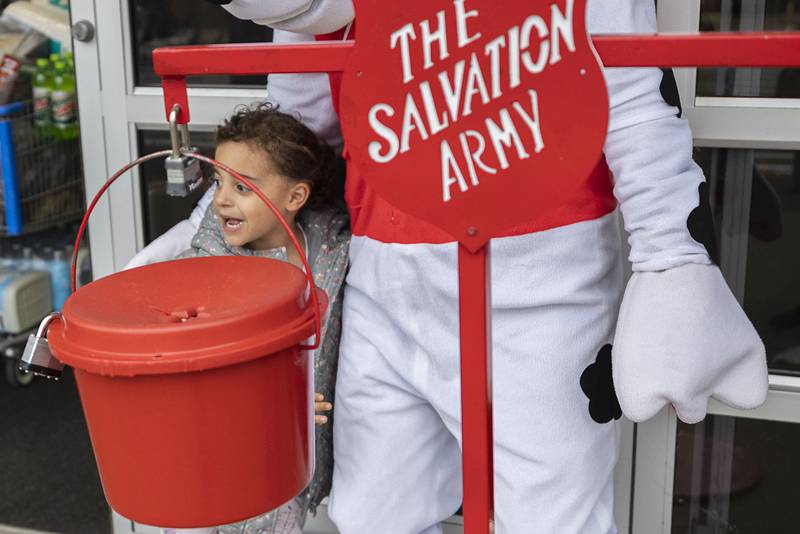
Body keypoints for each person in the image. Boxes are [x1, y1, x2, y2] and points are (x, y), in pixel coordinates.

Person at [135, 1, 768, 533]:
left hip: (542, 293)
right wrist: (207, 238)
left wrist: (673, 258)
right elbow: (295, 135)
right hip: (385, 288)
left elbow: (635, 102)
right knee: (376, 511)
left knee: (548, 516)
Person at [161, 103, 350, 534]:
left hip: (288, 464)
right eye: (218, 181)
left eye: (243, 187)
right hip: (212, 463)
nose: (222, 198)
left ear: (295, 197)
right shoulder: (206, 275)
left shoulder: (328, 247)